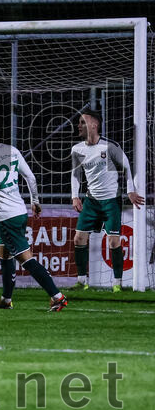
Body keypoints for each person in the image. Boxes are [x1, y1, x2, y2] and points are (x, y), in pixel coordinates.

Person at [0, 117, 68, 312]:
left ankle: (57, 296)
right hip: (19, 211)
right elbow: (30, 177)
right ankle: (6, 299)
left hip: (6, 216)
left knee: (25, 258)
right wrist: (35, 201)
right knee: (3, 252)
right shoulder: (13, 150)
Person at [68, 109, 145, 292]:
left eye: (83, 122)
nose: (79, 125)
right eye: (79, 122)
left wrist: (130, 191)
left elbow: (127, 167)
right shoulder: (77, 149)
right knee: (79, 238)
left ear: (94, 125)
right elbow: (76, 174)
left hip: (111, 201)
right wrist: (75, 196)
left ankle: (117, 283)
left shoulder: (109, 146)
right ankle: (82, 281)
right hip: (91, 201)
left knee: (113, 242)